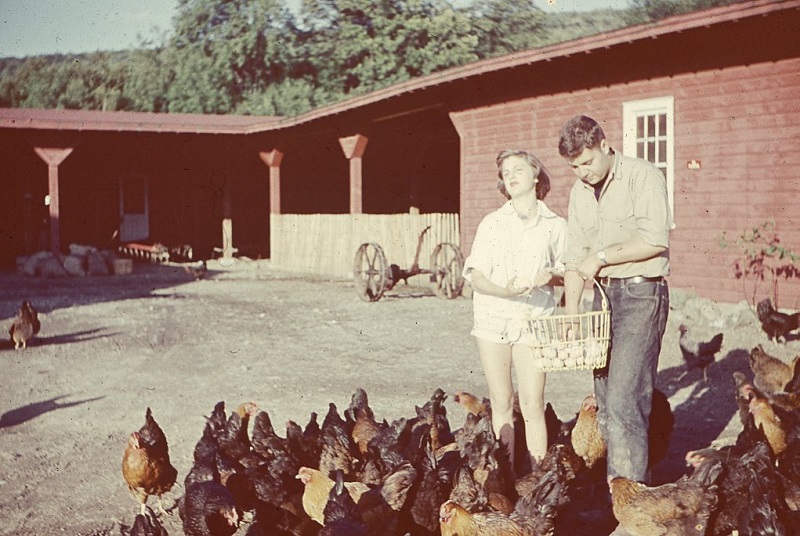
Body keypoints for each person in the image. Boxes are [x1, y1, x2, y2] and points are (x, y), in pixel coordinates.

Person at [557, 114, 671, 487]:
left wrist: (602, 257)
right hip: (602, 299)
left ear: (605, 145)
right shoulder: (579, 192)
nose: (583, 172)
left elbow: (655, 239)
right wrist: (572, 312)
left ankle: (632, 505)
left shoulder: (643, 176)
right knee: (604, 400)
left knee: (624, 401)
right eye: (575, 167)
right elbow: (575, 256)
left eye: (587, 162)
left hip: (641, 294)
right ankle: (617, 495)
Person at [462, 149, 567, 473]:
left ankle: (537, 477)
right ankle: (504, 479)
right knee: (502, 403)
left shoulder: (555, 225)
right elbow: (475, 275)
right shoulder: (492, 224)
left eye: (518, 169)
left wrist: (549, 276)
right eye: (506, 172)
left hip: (534, 321)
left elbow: (572, 272)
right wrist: (502, 290)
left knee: (534, 404)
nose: (511, 175)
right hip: (493, 318)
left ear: (536, 175)